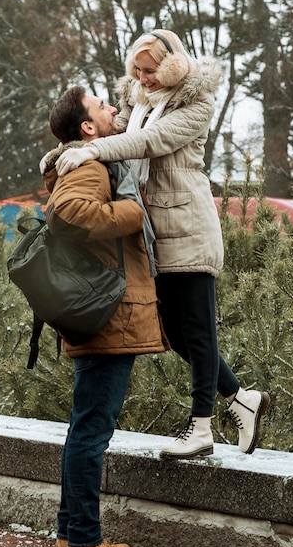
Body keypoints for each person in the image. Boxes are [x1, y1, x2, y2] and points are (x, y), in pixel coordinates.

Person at [54, 29, 270, 460]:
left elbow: (150, 143)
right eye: (138, 70)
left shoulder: (196, 104)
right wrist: (71, 149)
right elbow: (114, 144)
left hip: (188, 227)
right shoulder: (140, 103)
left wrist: (91, 152)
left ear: (171, 66)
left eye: (151, 71)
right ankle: (241, 398)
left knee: (199, 329)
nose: (143, 78)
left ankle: (201, 427)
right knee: (173, 330)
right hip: (156, 235)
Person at [41, 86, 166, 547]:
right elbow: (66, 213)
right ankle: (85, 545)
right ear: (88, 128)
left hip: (99, 312)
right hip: (107, 315)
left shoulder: (88, 163)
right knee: (92, 432)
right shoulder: (90, 166)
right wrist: (131, 213)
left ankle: (70, 533)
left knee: (83, 428)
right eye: (102, 106)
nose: (114, 108)